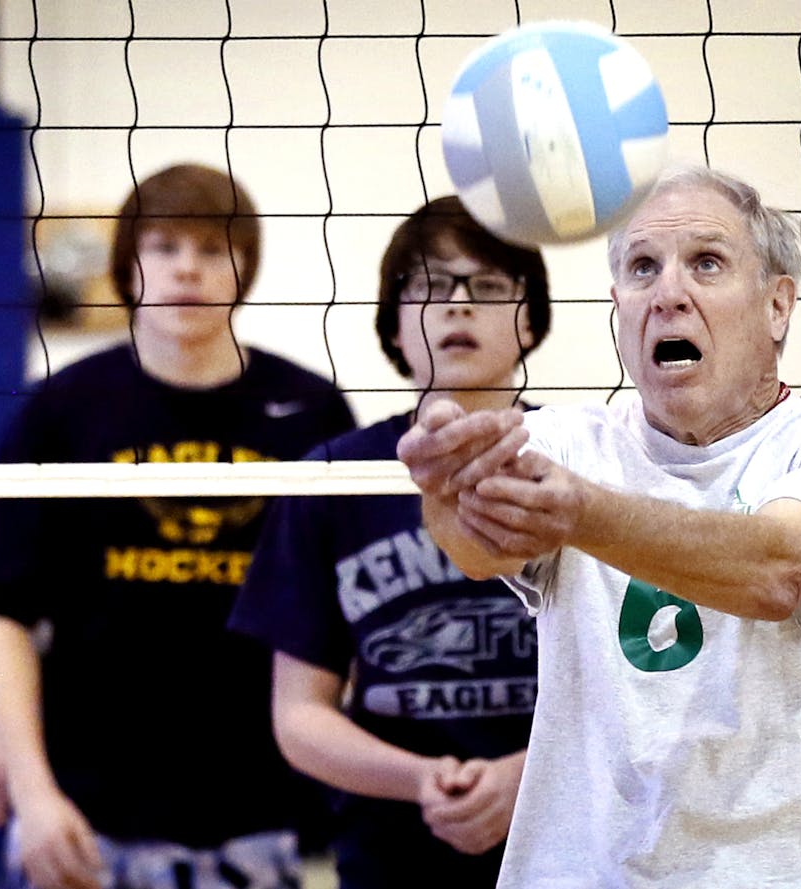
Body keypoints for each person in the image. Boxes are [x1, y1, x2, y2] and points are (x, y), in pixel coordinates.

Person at [397, 165, 801, 886]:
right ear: (620, 306)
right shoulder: (569, 441)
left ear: (776, 305)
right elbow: (478, 546)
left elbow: (781, 570)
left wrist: (585, 511)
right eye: (643, 269)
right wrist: (446, 479)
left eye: (707, 263)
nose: (669, 293)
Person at [0, 162, 357, 889]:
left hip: (265, 813)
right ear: (127, 263)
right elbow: (3, 617)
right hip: (88, 811)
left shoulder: (310, 410)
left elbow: (346, 617)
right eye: (165, 246)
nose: (188, 268)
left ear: (245, 265)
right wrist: (32, 790)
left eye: (213, 249)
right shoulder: (60, 411)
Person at [229, 196, 549, 888]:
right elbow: (298, 715)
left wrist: (527, 775)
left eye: (488, 286)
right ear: (395, 325)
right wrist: (424, 779)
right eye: (431, 285)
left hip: (572, 846)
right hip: (393, 853)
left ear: (529, 320)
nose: (459, 305)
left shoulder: (592, 462)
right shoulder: (332, 477)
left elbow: (647, 692)